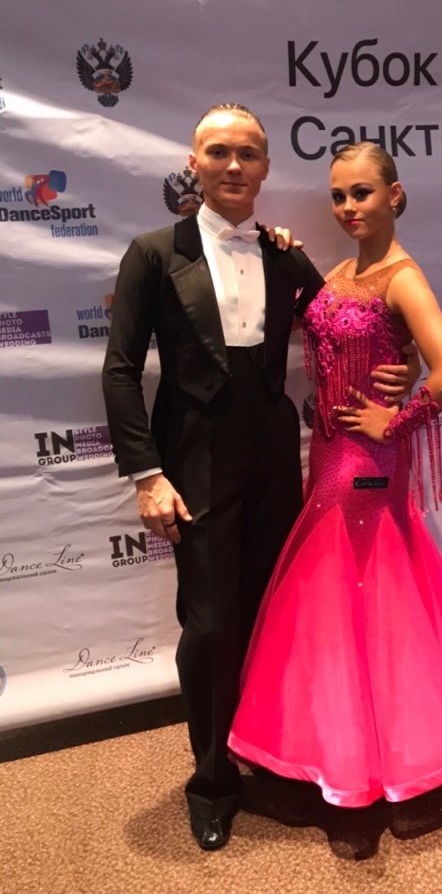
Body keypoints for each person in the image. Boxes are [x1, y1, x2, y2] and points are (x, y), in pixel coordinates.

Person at [102, 108, 415, 851]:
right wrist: (146, 473)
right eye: (219, 152)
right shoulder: (154, 253)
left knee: (283, 615)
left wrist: (403, 372)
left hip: (277, 454)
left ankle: (277, 758)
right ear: (194, 162)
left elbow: (353, 319)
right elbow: (120, 370)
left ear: (267, 168)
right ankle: (212, 783)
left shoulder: (283, 256)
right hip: (195, 459)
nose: (233, 165)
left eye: (248, 153)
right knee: (212, 626)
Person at [228, 141, 442, 809]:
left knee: (365, 587)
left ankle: (381, 756)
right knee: (352, 593)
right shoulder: (342, 271)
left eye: (361, 192)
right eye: (338, 195)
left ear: (394, 195)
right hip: (331, 452)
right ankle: (352, 741)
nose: (348, 206)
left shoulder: (402, 278)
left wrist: (397, 421)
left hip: (369, 461)